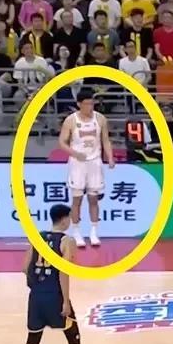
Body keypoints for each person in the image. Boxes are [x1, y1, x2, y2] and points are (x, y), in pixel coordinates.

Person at [14, 205, 99, 344]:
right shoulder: (67, 241)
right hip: (55, 296)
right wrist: (65, 301)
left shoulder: (38, 238)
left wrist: (35, 286)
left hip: (36, 297)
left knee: (32, 341)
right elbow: (63, 272)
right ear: (65, 219)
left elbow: (24, 267)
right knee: (73, 337)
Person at [59, 89, 115, 248]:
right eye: (87, 104)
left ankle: (94, 232)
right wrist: (75, 153)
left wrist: (110, 157)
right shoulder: (71, 120)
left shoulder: (100, 119)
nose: (90, 107)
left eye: (92, 103)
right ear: (79, 104)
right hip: (78, 163)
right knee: (77, 199)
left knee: (93, 198)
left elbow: (105, 140)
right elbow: (62, 142)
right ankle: (76, 232)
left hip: (95, 161)